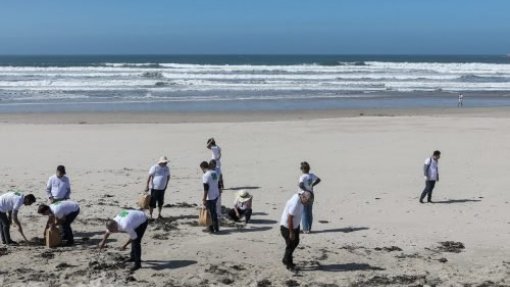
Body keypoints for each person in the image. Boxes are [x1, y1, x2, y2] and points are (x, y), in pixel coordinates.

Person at [280, 191, 312, 270]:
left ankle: (286, 260)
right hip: (287, 227)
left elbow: (302, 191)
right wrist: (291, 232)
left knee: (295, 242)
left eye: (309, 201)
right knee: (290, 245)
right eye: (307, 201)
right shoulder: (295, 204)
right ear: (303, 197)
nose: (307, 203)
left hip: (295, 226)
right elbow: (290, 218)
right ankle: (288, 263)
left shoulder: (300, 195)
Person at [298, 162, 321, 234]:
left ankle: (305, 229)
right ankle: (309, 228)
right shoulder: (311, 175)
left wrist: (305, 190)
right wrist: (312, 185)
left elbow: (301, 185)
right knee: (309, 212)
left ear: (302, 169)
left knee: (304, 212)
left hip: (304, 195)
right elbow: (318, 180)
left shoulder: (302, 176)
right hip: (311, 194)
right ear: (309, 168)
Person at [200, 161, 220, 233]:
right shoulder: (214, 173)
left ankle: (210, 229)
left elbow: (206, 188)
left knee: (209, 213)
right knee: (214, 212)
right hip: (216, 195)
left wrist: (204, 199)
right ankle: (216, 227)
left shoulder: (205, 175)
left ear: (203, 168)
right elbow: (217, 183)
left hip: (210, 196)